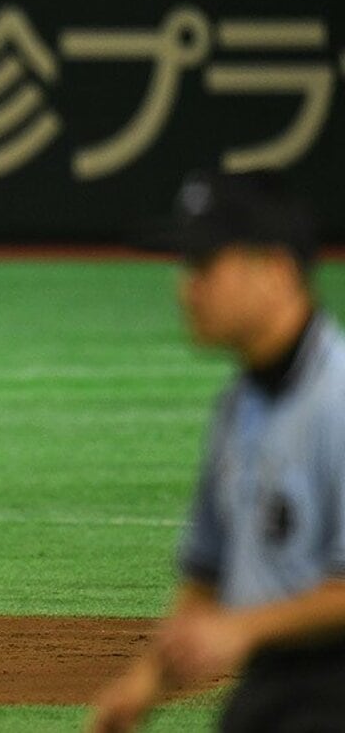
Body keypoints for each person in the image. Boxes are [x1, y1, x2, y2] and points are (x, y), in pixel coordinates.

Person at [87, 170, 345, 732]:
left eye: (204, 266)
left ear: (275, 271)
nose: (186, 287)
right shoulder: (239, 407)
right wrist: (141, 687)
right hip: (274, 693)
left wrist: (243, 628)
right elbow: (206, 578)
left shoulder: (338, 400)